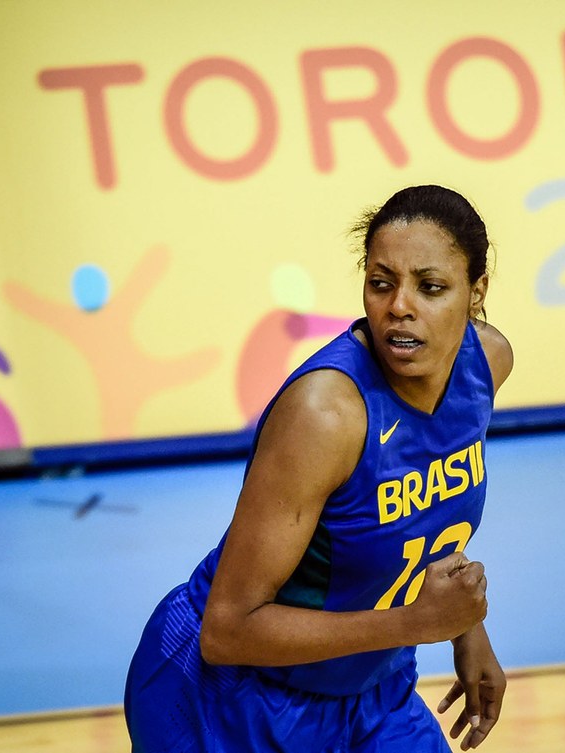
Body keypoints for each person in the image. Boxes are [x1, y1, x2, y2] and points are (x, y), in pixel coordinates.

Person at [125, 185, 514, 752]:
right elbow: (226, 630)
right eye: (381, 283)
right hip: (233, 697)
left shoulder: (487, 363)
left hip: (373, 688)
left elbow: (423, 506)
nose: (399, 306)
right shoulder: (325, 414)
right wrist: (418, 624)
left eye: (430, 288)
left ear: (476, 291)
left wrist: (466, 628)